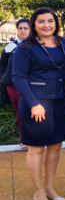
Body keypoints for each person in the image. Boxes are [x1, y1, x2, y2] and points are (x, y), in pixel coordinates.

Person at [12, 8, 65, 200]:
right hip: (37, 104)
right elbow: (18, 77)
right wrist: (34, 104)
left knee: (56, 145)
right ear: (34, 24)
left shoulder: (64, 43)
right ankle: (39, 192)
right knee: (36, 148)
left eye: (50, 21)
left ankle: (49, 188)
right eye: (41, 21)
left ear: (56, 23)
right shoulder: (25, 47)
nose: (46, 25)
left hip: (60, 102)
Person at [0, 19, 30, 150]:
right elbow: (2, 64)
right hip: (13, 85)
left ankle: (37, 137)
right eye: (20, 28)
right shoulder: (10, 47)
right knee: (21, 111)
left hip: (32, 84)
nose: (22, 31)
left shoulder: (37, 45)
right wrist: (3, 77)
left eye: (26, 28)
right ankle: (25, 139)